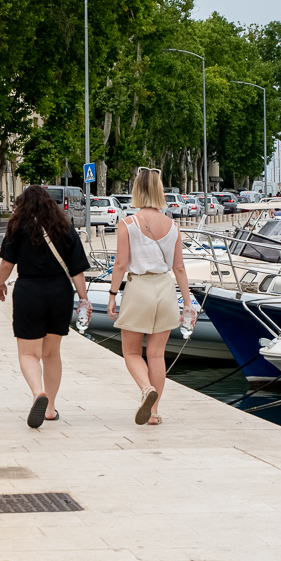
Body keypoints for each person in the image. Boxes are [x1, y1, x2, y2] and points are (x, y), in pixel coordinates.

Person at [0, 184, 91, 428]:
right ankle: (50, 408)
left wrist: (0, 283)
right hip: (60, 293)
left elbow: (7, 263)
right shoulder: (64, 226)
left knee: (28, 353)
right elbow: (77, 270)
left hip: (29, 291)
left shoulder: (17, 226)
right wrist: (83, 299)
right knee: (51, 353)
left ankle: (38, 392)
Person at [105, 167, 195, 426]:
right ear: (159, 191)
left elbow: (120, 264)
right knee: (156, 355)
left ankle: (146, 389)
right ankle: (154, 413)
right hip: (165, 289)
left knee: (132, 352)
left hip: (139, 288)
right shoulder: (173, 225)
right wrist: (188, 303)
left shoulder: (128, 223)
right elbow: (179, 267)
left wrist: (112, 294)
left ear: (136, 190)